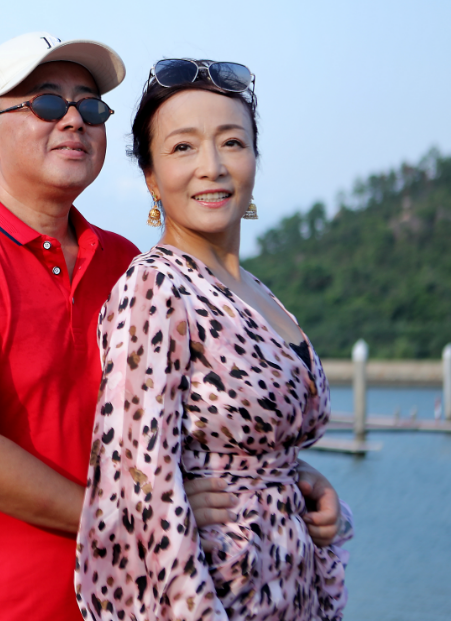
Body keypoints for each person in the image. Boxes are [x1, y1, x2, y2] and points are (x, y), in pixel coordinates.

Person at [0, 34, 343, 621]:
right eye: (47, 104)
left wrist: (287, 478)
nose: (73, 120)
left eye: (91, 106)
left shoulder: (124, 262)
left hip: (130, 604)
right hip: (0, 607)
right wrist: (141, 517)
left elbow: (180, 430)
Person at [75, 59, 355, 621]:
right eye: (183, 147)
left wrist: (309, 489)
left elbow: (257, 448)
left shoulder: (257, 291)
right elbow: (140, 490)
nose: (212, 166)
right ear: (152, 177)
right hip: (219, 597)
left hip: (293, 590)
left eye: (232, 142)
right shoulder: (154, 287)